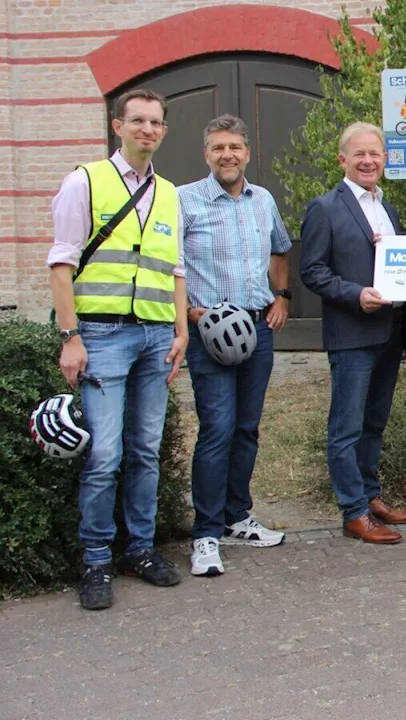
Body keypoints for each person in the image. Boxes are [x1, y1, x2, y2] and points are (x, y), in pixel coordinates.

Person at [47, 88, 188, 610]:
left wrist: (181, 332)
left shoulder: (170, 192)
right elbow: (62, 262)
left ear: (164, 131)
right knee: (105, 454)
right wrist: (70, 337)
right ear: (118, 126)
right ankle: (97, 558)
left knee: (145, 451)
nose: (147, 130)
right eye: (138, 121)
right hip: (101, 335)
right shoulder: (84, 181)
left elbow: (174, 268)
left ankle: (142, 550)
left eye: (155, 123)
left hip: (156, 337)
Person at [178, 114, 291, 577]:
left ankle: (236, 516)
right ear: (206, 154)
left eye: (236, 147)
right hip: (209, 329)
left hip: (256, 327)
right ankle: (205, 534)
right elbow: (170, 266)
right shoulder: (185, 201)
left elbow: (281, 248)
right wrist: (188, 313)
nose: (228, 155)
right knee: (217, 428)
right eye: (219, 147)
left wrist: (281, 296)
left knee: (247, 427)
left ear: (247, 152)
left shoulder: (262, 200)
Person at [300, 121, 406, 545]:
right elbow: (311, 271)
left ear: (385, 159)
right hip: (352, 333)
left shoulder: (388, 208)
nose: (368, 161)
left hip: (388, 334)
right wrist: (355, 294)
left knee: (374, 423)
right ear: (343, 160)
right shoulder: (325, 208)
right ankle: (353, 511)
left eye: (375, 154)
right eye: (360, 154)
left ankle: (370, 497)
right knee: (346, 427)